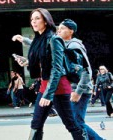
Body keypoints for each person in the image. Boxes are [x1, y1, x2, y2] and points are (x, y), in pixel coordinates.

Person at [13, 8, 87, 139]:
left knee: (71, 124)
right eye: (32, 19)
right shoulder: (39, 39)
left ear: (46, 21)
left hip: (58, 87)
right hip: (45, 85)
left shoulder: (54, 39)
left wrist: (48, 94)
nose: (33, 22)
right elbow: (44, 62)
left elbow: (57, 68)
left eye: (37, 18)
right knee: (36, 123)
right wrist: (27, 62)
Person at [57, 19, 104, 139]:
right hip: (72, 89)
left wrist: (78, 91)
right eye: (59, 28)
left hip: (79, 90)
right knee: (75, 121)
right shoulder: (64, 45)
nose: (59, 30)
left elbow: (86, 70)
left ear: (71, 31)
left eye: (62, 28)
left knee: (76, 122)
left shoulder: (74, 46)